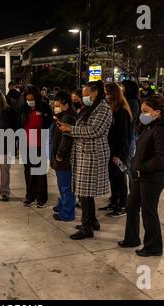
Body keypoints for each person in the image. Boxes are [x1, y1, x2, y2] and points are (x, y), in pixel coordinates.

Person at [118, 94, 164, 257]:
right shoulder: (150, 126)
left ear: (157, 112)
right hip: (142, 176)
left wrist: (142, 168)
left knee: (148, 211)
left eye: (145, 111)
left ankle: (153, 247)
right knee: (131, 206)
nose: (142, 114)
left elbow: (161, 159)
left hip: (153, 178)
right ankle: (132, 239)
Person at [57, 80, 112, 240]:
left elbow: (95, 130)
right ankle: (92, 220)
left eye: (87, 94)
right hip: (84, 154)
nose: (84, 97)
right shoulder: (91, 107)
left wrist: (71, 129)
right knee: (84, 192)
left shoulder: (103, 108)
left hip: (92, 155)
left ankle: (87, 227)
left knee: (85, 192)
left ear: (96, 92)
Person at [102, 83, 133, 217]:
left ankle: (123, 205)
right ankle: (114, 201)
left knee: (120, 177)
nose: (105, 96)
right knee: (113, 177)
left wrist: (118, 155)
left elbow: (124, 136)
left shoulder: (121, 112)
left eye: (107, 93)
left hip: (119, 152)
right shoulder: (111, 109)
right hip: (111, 150)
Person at [21, 85, 53, 209]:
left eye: (32, 99)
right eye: (28, 99)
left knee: (39, 172)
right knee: (28, 172)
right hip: (26, 144)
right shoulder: (24, 109)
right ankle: (30, 196)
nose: (30, 101)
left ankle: (41, 198)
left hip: (40, 144)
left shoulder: (44, 108)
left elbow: (49, 123)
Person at [50, 91, 78, 222]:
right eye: (54, 105)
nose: (55, 108)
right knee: (63, 185)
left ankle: (67, 213)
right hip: (62, 159)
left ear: (66, 105)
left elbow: (66, 139)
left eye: (58, 105)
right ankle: (63, 207)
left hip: (64, 160)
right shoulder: (63, 116)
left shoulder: (67, 118)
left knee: (66, 186)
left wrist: (60, 155)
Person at [121, 80, 141, 190]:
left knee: (127, 167)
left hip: (129, 137)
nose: (121, 89)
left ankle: (131, 194)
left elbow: (129, 120)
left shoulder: (132, 102)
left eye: (122, 87)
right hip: (127, 136)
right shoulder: (128, 101)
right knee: (123, 166)